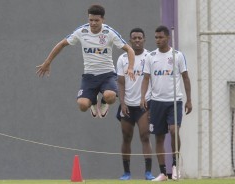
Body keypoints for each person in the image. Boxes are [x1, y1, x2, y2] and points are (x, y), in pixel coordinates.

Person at [36, 4, 135, 118]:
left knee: (110, 97)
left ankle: (103, 102)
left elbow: (129, 49)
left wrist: (131, 67)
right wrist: (48, 62)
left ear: (103, 19)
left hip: (107, 75)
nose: (93, 23)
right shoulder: (81, 31)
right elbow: (62, 44)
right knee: (83, 106)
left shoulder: (109, 33)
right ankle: (93, 100)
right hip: (89, 76)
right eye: (90, 20)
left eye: (96, 20)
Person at [140, 25, 192, 181]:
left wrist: (189, 99)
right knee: (159, 137)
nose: (158, 40)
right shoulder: (151, 56)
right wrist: (143, 97)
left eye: (161, 37)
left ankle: (175, 166)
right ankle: (163, 172)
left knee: (174, 130)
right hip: (156, 102)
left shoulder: (177, 56)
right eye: (156, 37)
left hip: (174, 101)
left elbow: (185, 78)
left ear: (168, 38)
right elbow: (146, 78)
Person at [116, 28, 154, 180]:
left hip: (143, 104)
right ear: (130, 40)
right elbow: (120, 83)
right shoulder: (122, 59)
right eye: (134, 38)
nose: (137, 40)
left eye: (140, 38)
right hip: (127, 104)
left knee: (145, 136)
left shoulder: (149, 57)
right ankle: (126, 172)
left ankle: (148, 172)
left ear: (144, 39)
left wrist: (148, 100)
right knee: (126, 137)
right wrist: (122, 102)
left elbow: (152, 80)